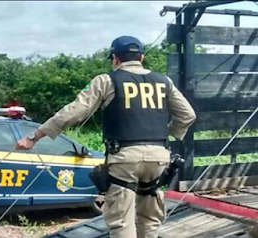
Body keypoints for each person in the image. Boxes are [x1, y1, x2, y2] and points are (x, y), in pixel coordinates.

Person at [16, 35, 196, 238]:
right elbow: (188, 115)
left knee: (121, 222)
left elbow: (73, 112)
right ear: (142, 57)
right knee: (150, 220)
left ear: (115, 59)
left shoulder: (106, 80)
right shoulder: (164, 81)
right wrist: (166, 132)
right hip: (160, 158)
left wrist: (35, 136)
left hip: (125, 159)